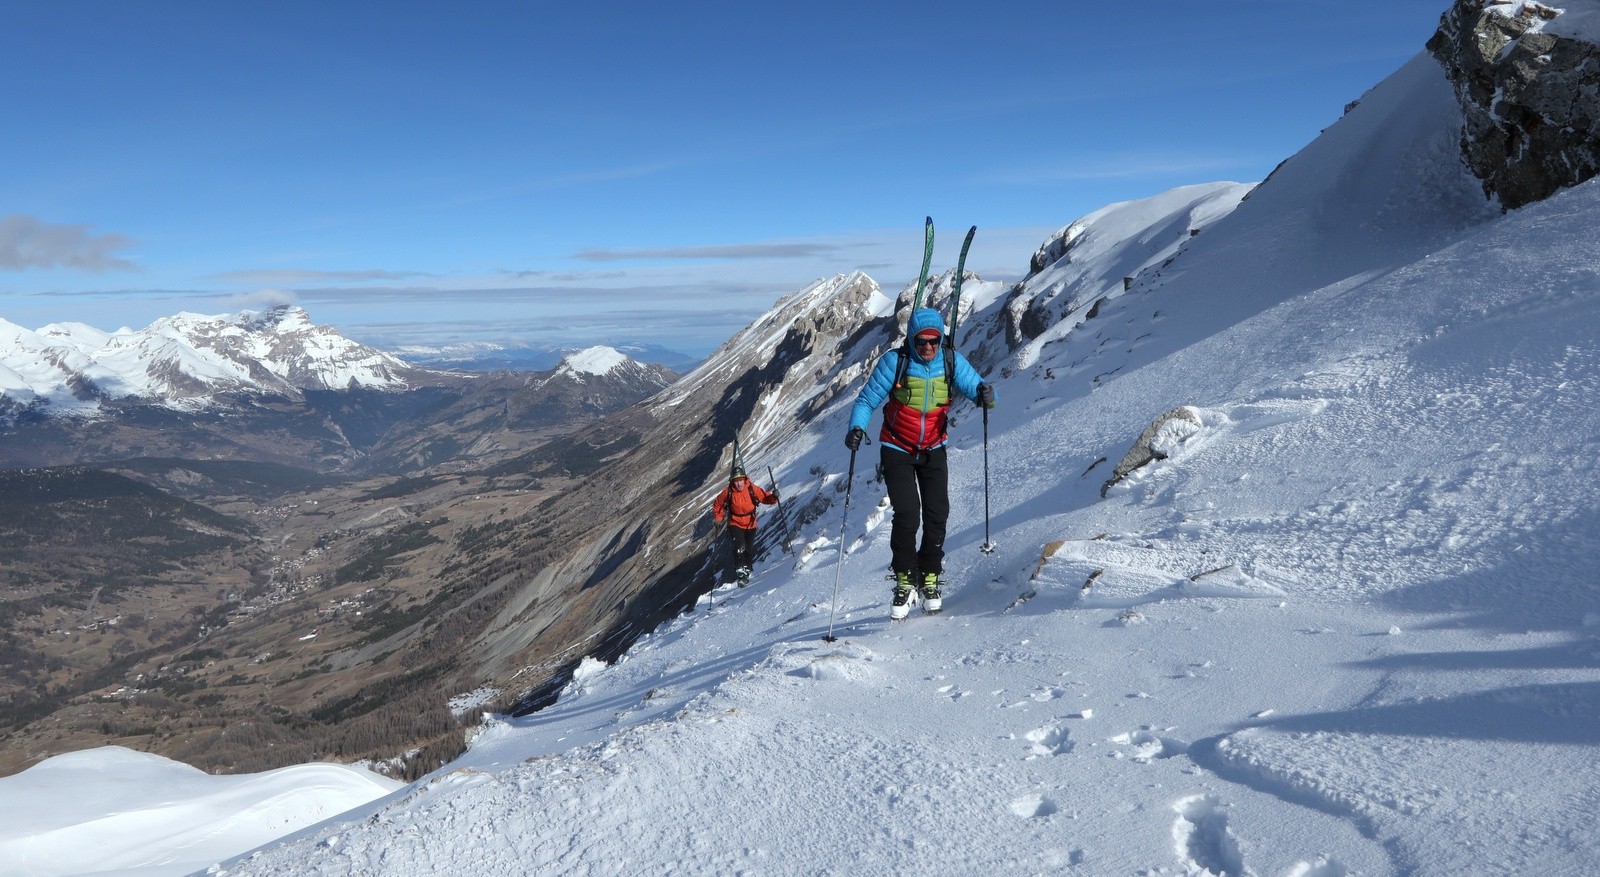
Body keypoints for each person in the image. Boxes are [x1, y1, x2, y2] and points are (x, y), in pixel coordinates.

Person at [845, 307, 995, 619]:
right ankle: (904, 579)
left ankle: (929, 577)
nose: (928, 347)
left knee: (938, 513)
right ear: (911, 339)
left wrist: (985, 394)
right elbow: (866, 400)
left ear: (942, 339)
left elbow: (980, 392)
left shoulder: (952, 362)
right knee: (908, 514)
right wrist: (856, 428)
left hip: (934, 448)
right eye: (921, 341)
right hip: (897, 447)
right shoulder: (895, 362)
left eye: (934, 341)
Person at [712, 465, 778, 586]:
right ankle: (740, 573)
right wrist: (718, 518)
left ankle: (746, 570)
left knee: (748, 549)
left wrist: (774, 497)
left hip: (751, 523)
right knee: (740, 547)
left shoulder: (752, 489)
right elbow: (718, 504)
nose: (739, 484)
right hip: (735, 522)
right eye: (736, 481)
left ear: (744, 479)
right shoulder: (728, 492)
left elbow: (764, 497)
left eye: (740, 480)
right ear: (732, 481)